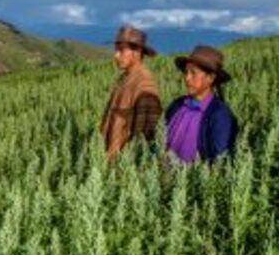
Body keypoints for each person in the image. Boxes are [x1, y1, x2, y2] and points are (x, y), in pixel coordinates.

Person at [165, 45, 239, 163]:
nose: (187, 78)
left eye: (193, 73)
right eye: (186, 72)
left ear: (210, 78)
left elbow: (219, 161)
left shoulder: (220, 116)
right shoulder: (177, 105)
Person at [100, 26, 162, 161]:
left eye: (121, 50)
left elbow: (146, 136)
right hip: (111, 162)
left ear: (137, 52)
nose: (116, 55)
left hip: (124, 169)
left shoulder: (145, 85)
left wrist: (127, 171)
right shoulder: (125, 78)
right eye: (116, 50)